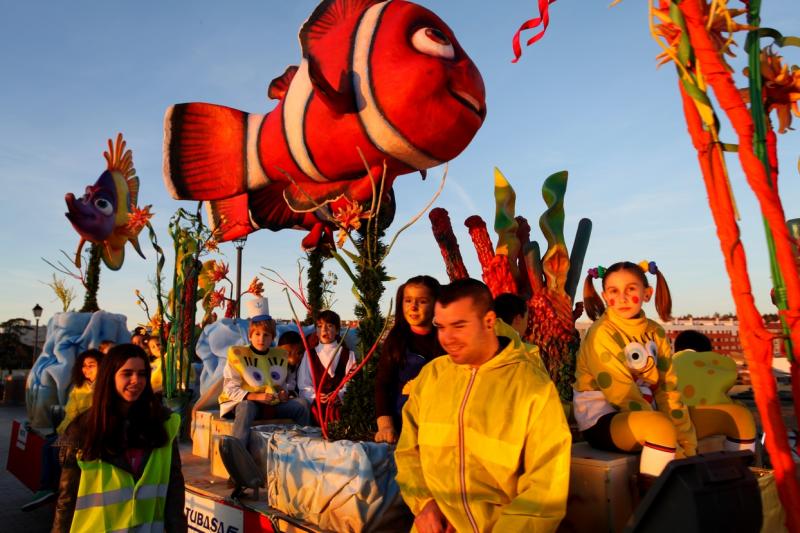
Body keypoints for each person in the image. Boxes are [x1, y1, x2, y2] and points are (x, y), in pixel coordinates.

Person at [395, 278, 571, 532]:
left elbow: (546, 488)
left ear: (489, 321)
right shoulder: (432, 377)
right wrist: (424, 504)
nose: (447, 338)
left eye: (459, 326)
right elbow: (408, 451)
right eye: (440, 326)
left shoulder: (531, 387)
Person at [575, 261, 755, 482]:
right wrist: (679, 452)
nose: (622, 298)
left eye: (630, 289)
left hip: (654, 414)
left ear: (647, 293)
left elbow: (668, 389)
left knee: (738, 416)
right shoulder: (601, 333)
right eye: (614, 291)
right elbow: (623, 394)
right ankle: (658, 504)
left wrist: (687, 442)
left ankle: (738, 487)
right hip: (604, 421)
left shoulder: (655, 331)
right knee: (660, 428)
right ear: (605, 296)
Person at [53, 344, 187, 532]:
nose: (136, 380)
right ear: (109, 377)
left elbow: (174, 492)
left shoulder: (163, 424)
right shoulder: (82, 430)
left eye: (142, 374)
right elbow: (67, 499)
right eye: (127, 373)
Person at [218, 297, 311, 447]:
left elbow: (286, 383)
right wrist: (256, 396)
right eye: (257, 334)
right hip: (248, 404)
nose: (261, 339)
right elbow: (229, 389)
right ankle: (237, 450)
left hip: (272, 404)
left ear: (272, 337)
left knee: (302, 404)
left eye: (266, 335)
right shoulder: (238, 355)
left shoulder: (279, 356)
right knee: (246, 407)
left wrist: (284, 394)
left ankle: (304, 446)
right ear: (250, 335)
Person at [22, 349, 103, 512]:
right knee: (48, 445)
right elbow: (70, 414)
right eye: (84, 366)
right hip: (73, 431)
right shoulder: (80, 388)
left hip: (90, 433)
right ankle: (47, 488)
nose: (86, 370)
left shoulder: (104, 388)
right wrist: (61, 431)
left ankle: (56, 488)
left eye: (91, 365)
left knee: (57, 449)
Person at [374, 275, 445, 443]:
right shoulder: (396, 339)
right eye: (408, 301)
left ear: (436, 304)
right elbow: (383, 384)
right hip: (403, 423)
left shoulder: (446, 339)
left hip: (439, 423)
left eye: (422, 301)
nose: (413, 307)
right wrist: (385, 425)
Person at [297, 310, 357, 425]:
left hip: (339, 407)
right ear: (316, 331)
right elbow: (303, 385)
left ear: (337, 330)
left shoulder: (348, 354)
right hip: (317, 407)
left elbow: (352, 383)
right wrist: (316, 396)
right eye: (320, 326)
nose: (324, 330)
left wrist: (338, 395)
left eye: (329, 326)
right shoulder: (310, 354)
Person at [276, 330, 304, 397]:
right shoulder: (272, 362)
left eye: (298, 353)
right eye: (287, 353)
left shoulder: (298, 365)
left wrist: (290, 393)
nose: (292, 359)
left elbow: (291, 382)